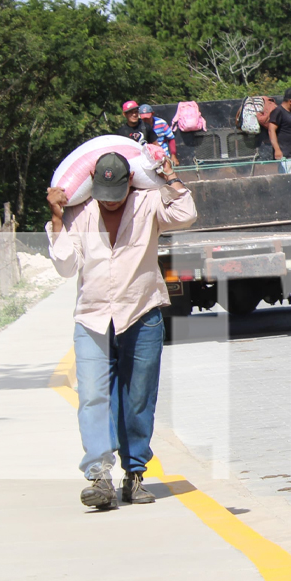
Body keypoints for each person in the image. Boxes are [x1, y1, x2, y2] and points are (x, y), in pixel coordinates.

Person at [46, 152, 197, 510]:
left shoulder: (148, 203)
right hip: (93, 318)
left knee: (138, 397)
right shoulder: (80, 213)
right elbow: (66, 266)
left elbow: (186, 214)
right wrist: (56, 216)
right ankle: (99, 476)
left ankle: (134, 475)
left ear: (129, 183)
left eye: (115, 193)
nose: (109, 201)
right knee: (94, 396)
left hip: (141, 313)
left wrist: (170, 177)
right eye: (102, 194)